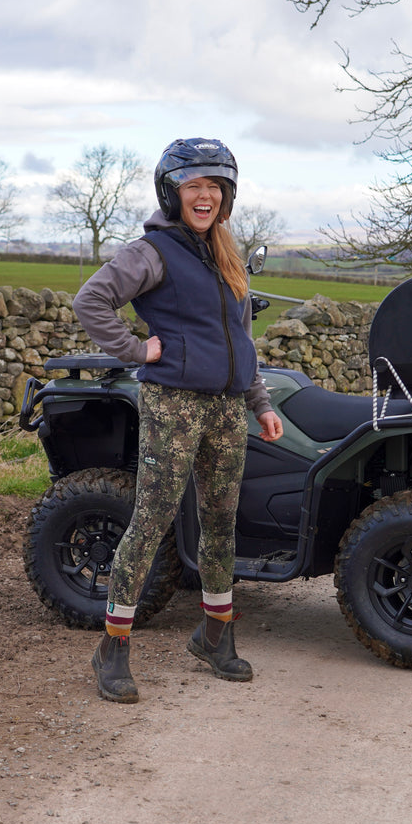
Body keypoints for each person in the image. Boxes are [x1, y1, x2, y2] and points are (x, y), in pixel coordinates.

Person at [72, 137, 283, 704]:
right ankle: (112, 647)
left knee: (221, 522)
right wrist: (138, 352)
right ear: (173, 192)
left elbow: (240, 341)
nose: (206, 195)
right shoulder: (153, 251)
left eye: (216, 186)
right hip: (174, 403)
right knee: (153, 519)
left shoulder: (225, 255)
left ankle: (216, 634)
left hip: (225, 408)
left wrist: (260, 403)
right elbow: (90, 301)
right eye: (195, 185)